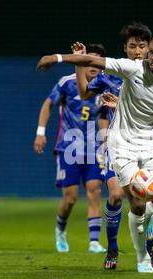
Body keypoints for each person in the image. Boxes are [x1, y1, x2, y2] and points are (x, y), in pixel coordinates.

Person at [37, 33, 153, 273]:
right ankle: (126, 253)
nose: (145, 53)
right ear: (126, 49)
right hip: (119, 144)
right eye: (136, 47)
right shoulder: (127, 69)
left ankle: (148, 235)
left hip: (150, 143)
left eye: (148, 48)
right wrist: (58, 58)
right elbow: (89, 80)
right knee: (122, 197)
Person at [33, 44, 108, 254]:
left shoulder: (105, 86)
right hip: (69, 148)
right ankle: (61, 231)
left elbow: (106, 117)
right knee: (70, 197)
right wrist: (40, 132)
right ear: (82, 62)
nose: (92, 66)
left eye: (96, 62)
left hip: (94, 149)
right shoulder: (67, 83)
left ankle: (94, 242)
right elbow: (48, 104)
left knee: (94, 192)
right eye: (89, 60)